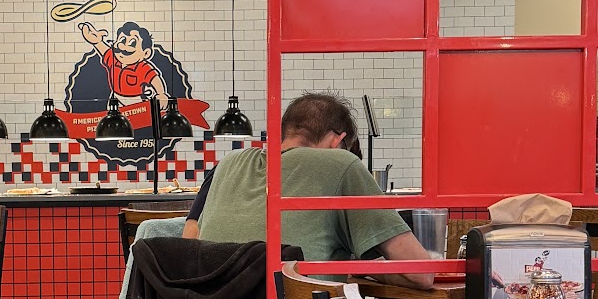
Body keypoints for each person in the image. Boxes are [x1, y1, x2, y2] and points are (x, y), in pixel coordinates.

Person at [184, 91, 435, 283]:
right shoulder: (340, 163)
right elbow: (422, 272)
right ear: (337, 140)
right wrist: (361, 267)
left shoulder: (229, 163)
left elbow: (193, 244)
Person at [81, 18, 170, 111]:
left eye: (132, 43)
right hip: (115, 98)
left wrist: (161, 94)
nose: (123, 47)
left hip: (135, 101)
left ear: (146, 53)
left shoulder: (142, 67)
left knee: (136, 119)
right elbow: (105, 51)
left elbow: (154, 78)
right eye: (122, 40)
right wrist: (97, 42)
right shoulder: (113, 60)